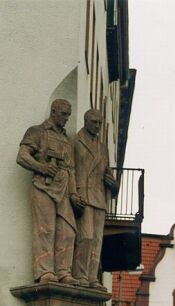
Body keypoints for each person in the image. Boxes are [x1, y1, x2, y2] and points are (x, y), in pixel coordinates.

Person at [17, 99, 81, 285]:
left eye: (68, 114)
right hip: (42, 187)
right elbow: (22, 156)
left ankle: (63, 271)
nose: (66, 118)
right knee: (45, 230)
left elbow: (71, 169)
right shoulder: (37, 131)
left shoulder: (67, 139)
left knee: (67, 232)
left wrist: (74, 193)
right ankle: (44, 272)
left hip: (64, 191)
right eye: (63, 114)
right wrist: (42, 167)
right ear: (53, 111)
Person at [72, 108, 118, 289]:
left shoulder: (103, 148)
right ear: (85, 121)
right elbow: (70, 169)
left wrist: (114, 186)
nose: (98, 126)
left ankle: (92, 277)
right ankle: (80, 274)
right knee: (86, 237)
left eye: (100, 123)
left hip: (99, 198)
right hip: (83, 195)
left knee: (97, 240)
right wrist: (72, 192)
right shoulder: (75, 141)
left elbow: (109, 176)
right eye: (94, 122)